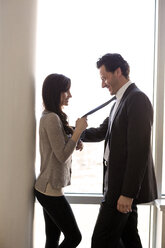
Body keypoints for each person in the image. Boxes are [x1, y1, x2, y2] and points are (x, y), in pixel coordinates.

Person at [81, 53, 158, 248]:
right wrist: (74, 133)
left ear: (118, 72)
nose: (103, 84)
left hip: (121, 190)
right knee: (129, 239)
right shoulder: (119, 102)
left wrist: (128, 194)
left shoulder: (137, 99)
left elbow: (139, 152)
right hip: (116, 186)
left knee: (100, 241)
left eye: (104, 78)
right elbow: (101, 132)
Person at [34, 73, 88, 248]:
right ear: (55, 92)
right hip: (50, 190)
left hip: (48, 188)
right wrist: (78, 131)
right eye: (66, 91)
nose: (70, 95)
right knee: (74, 237)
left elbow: (59, 149)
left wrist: (73, 141)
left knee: (52, 240)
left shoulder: (51, 116)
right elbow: (62, 155)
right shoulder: (51, 118)